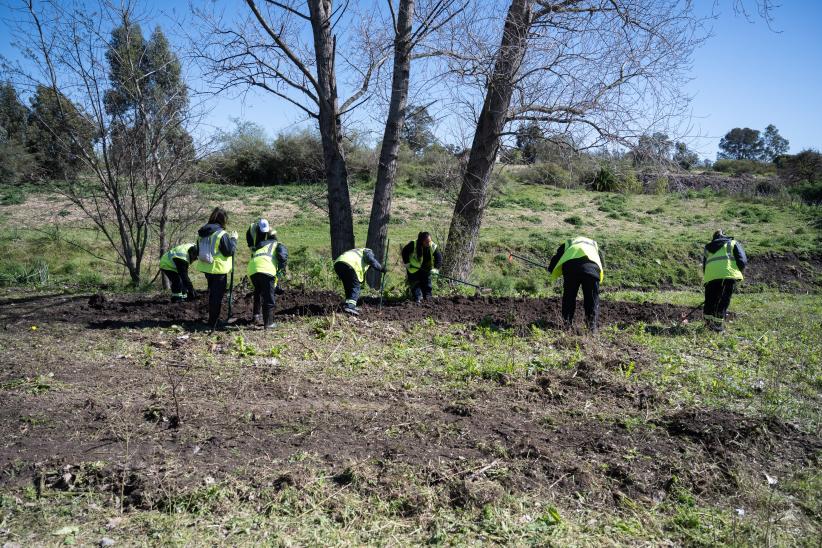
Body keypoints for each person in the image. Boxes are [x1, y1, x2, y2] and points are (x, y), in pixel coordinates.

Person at [547, 236, 604, 332]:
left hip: (572, 270)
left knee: (569, 298)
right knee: (592, 300)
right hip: (592, 271)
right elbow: (601, 262)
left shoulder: (569, 243)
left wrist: (551, 268)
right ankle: (592, 328)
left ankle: (566, 325)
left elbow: (557, 258)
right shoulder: (593, 244)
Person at [194, 207, 237, 329]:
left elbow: (198, 249)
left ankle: (212, 320)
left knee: (213, 295)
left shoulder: (202, 233)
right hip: (218, 269)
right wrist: (233, 240)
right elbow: (229, 252)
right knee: (216, 296)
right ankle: (213, 323)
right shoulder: (221, 234)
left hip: (207, 268)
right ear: (223, 220)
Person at [702, 229, 747, 332]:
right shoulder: (732, 243)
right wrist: (736, 271)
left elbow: (705, 265)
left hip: (710, 277)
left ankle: (708, 326)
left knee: (710, 301)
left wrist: (709, 276)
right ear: (724, 236)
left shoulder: (707, 247)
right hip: (727, 276)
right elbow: (742, 260)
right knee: (722, 301)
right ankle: (717, 327)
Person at [246, 219, 288, 328]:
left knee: (259, 291)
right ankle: (269, 323)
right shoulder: (278, 244)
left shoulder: (260, 246)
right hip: (266, 269)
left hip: (252, 269)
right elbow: (282, 257)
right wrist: (281, 271)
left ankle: (256, 316)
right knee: (269, 297)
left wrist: (275, 285)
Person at [333, 248, 385, 315]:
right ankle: (350, 307)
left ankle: (349, 305)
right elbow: (371, 260)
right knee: (356, 287)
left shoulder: (357, 252)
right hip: (350, 265)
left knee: (348, 286)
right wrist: (381, 268)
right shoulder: (368, 251)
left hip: (338, 264)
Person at [402, 231, 443, 303]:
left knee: (427, 284)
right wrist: (407, 263)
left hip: (426, 268)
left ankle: (428, 298)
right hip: (413, 267)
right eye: (426, 242)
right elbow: (404, 252)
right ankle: (417, 299)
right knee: (415, 284)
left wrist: (436, 268)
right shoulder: (413, 244)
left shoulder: (433, 246)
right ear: (422, 241)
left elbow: (438, 257)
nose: (429, 243)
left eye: (429, 241)